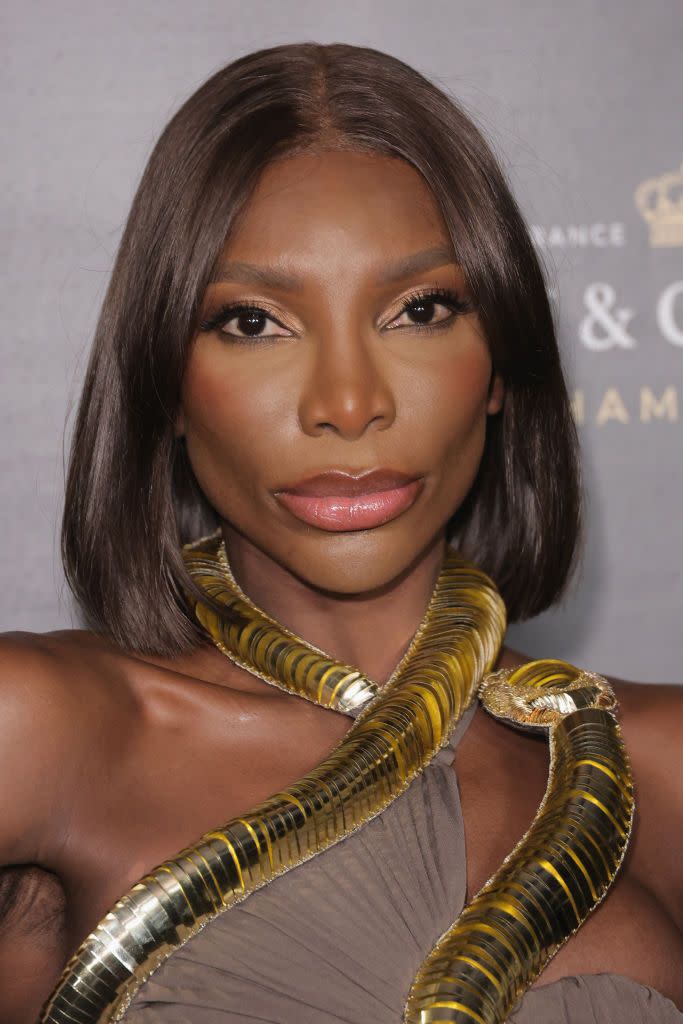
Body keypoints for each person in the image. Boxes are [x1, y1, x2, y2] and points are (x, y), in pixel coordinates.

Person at [1, 41, 681, 1024]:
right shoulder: (44, 734)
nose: (349, 402)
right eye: (252, 322)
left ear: (498, 365)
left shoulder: (655, 766)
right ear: (167, 386)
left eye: (418, 309)